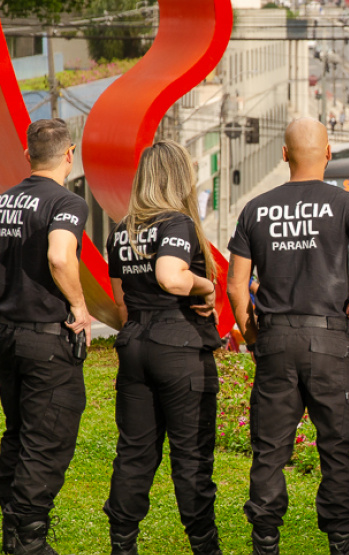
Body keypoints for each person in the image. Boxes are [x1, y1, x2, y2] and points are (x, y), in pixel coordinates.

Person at [227, 118, 349, 555]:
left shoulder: (255, 209)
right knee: (336, 449)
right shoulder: (345, 203)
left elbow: (235, 286)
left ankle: (265, 541)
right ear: (328, 153)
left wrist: (252, 336)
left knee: (269, 451)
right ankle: (342, 543)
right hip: (329, 343)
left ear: (284, 155)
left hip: (276, 342)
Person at [104, 141, 222, 555]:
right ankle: (205, 547)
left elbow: (121, 304)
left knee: (134, 454)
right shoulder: (177, 224)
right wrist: (207, 286)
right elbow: (171, 277)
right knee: (191, 459)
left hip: (135, 343)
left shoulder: (121, 231)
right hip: (180, 346)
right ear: (180, 178)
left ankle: (122, 544)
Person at [0, 118, 90, 555]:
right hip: (45, 342)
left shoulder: (3, 202)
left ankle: (12, 531)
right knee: (46, 441)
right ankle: (29, 541)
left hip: (6, 337)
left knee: (18, 434)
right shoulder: (67, 202)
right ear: (69, 154)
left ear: (28, 155)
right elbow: (60, 256)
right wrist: (80, 306)